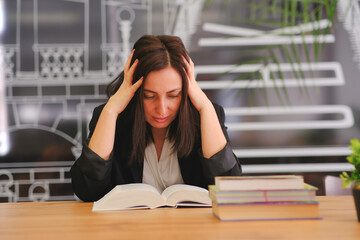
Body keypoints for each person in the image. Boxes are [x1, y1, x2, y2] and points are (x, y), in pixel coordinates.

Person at [70, 35, 241, 202]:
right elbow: (87, 191)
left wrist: (205, 106)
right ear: (134, 91)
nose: (162, 109)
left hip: (193, 228)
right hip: (127, 228)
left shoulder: (205, 117)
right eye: (149, 96)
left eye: (173, 95)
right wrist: (110, 111)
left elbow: (227, 189)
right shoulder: (112, 118)